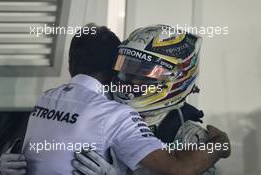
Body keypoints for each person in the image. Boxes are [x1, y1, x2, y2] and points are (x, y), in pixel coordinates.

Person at [20, 23, 230, 175]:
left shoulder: (191, 137)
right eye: (129, 70)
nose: (133, 83)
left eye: (145, 76)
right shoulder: (104, 106)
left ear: (177, 79)